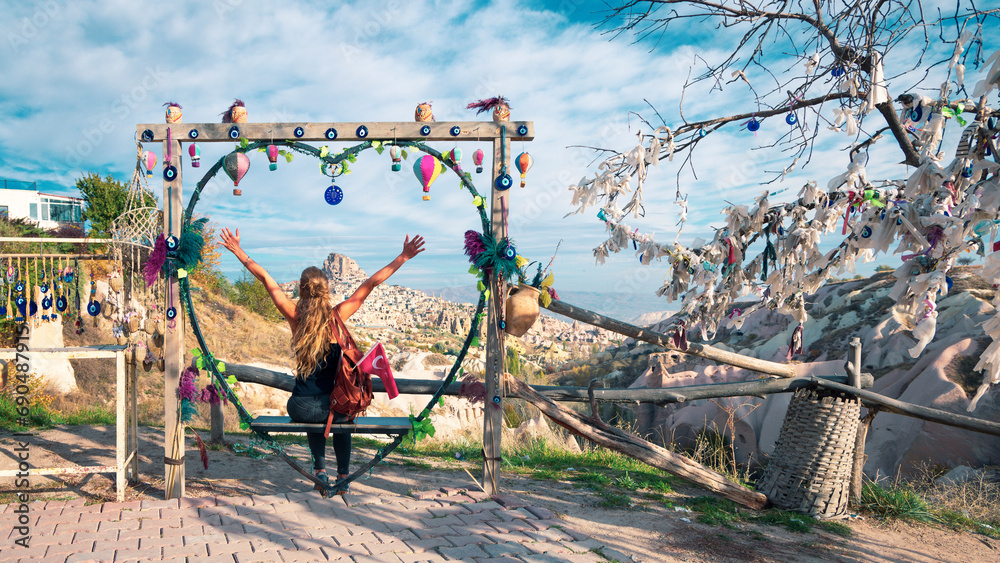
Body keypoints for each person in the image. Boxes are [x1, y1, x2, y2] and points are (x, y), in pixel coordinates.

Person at [220, 227, 425, 493]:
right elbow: (371, 284)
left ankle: (319, 471)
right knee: (342, 416)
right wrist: (403, 257)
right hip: (337, 407)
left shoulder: (295, 315)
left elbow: (265, 279)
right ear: (326, 290)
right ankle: (343, 477)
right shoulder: (337, 317)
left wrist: (238, 251)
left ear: (302, 289)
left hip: (300, 406)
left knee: (317, 413)